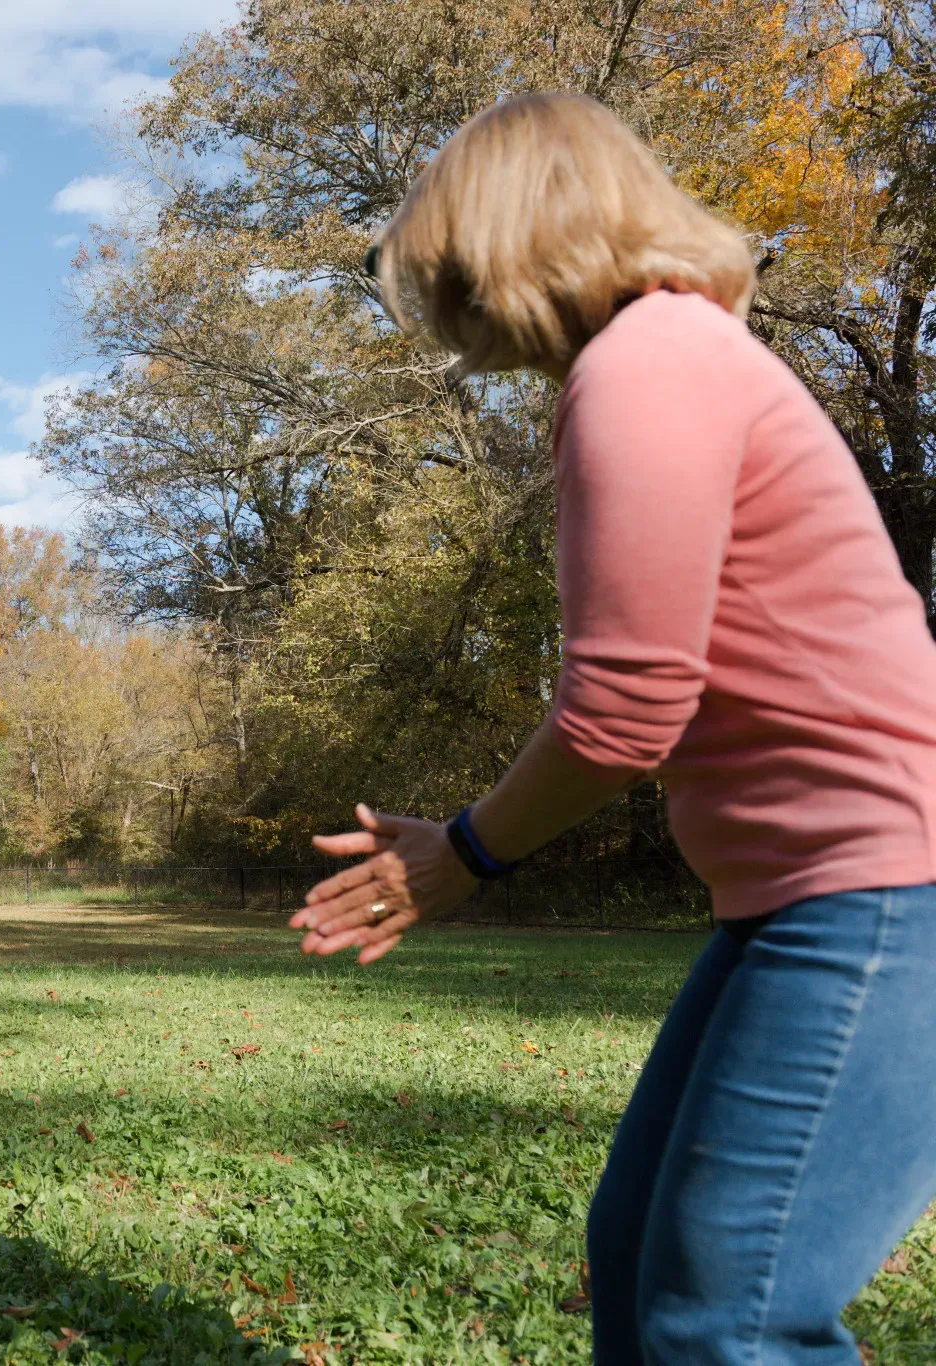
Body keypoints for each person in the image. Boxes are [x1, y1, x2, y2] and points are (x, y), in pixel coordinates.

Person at [290, 93, 936, 1364]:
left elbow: (625, 711)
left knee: (730, 1327)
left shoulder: (641, 368)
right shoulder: (674, 355)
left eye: (450, 285)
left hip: (878, 890)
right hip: (802, 896)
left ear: (506, 247)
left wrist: (463, 854)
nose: (457, 331)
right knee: (641, 1261)